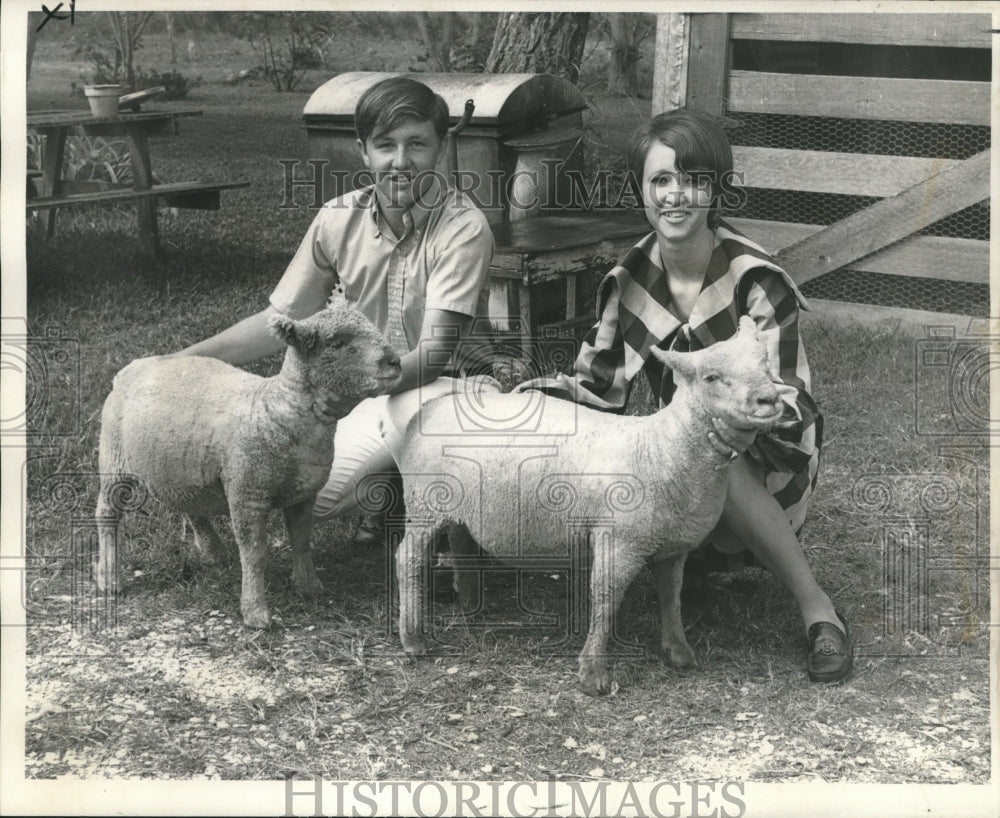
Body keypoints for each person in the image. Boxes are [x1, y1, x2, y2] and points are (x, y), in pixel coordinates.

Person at [518, 108, 852, 683]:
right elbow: (598, 388)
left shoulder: (755, 278)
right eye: (660, 180)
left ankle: (818, 609)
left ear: (715, 188)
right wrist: (528, 396)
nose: (676, 196)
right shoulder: (629, 280)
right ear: (642, 191)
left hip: (770, 457)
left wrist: (739, 425)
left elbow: (791, 401)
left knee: (722, 457)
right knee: (662, 453)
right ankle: (686, 557)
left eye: (693, 180)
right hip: (688, 458)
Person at [172, 77, 498, 541]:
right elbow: (281, 324)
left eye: (417, 145)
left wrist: (350, 393)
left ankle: (434, 509)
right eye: (385, 145)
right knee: (306, 487)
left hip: (447, 388)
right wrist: (184, 362)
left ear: (441, 148)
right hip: (366, 388)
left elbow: (433, 356)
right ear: (364, 151)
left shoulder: (463, 228)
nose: (401, 162)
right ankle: (388, 490)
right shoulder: (337, 218)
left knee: (353, 474)